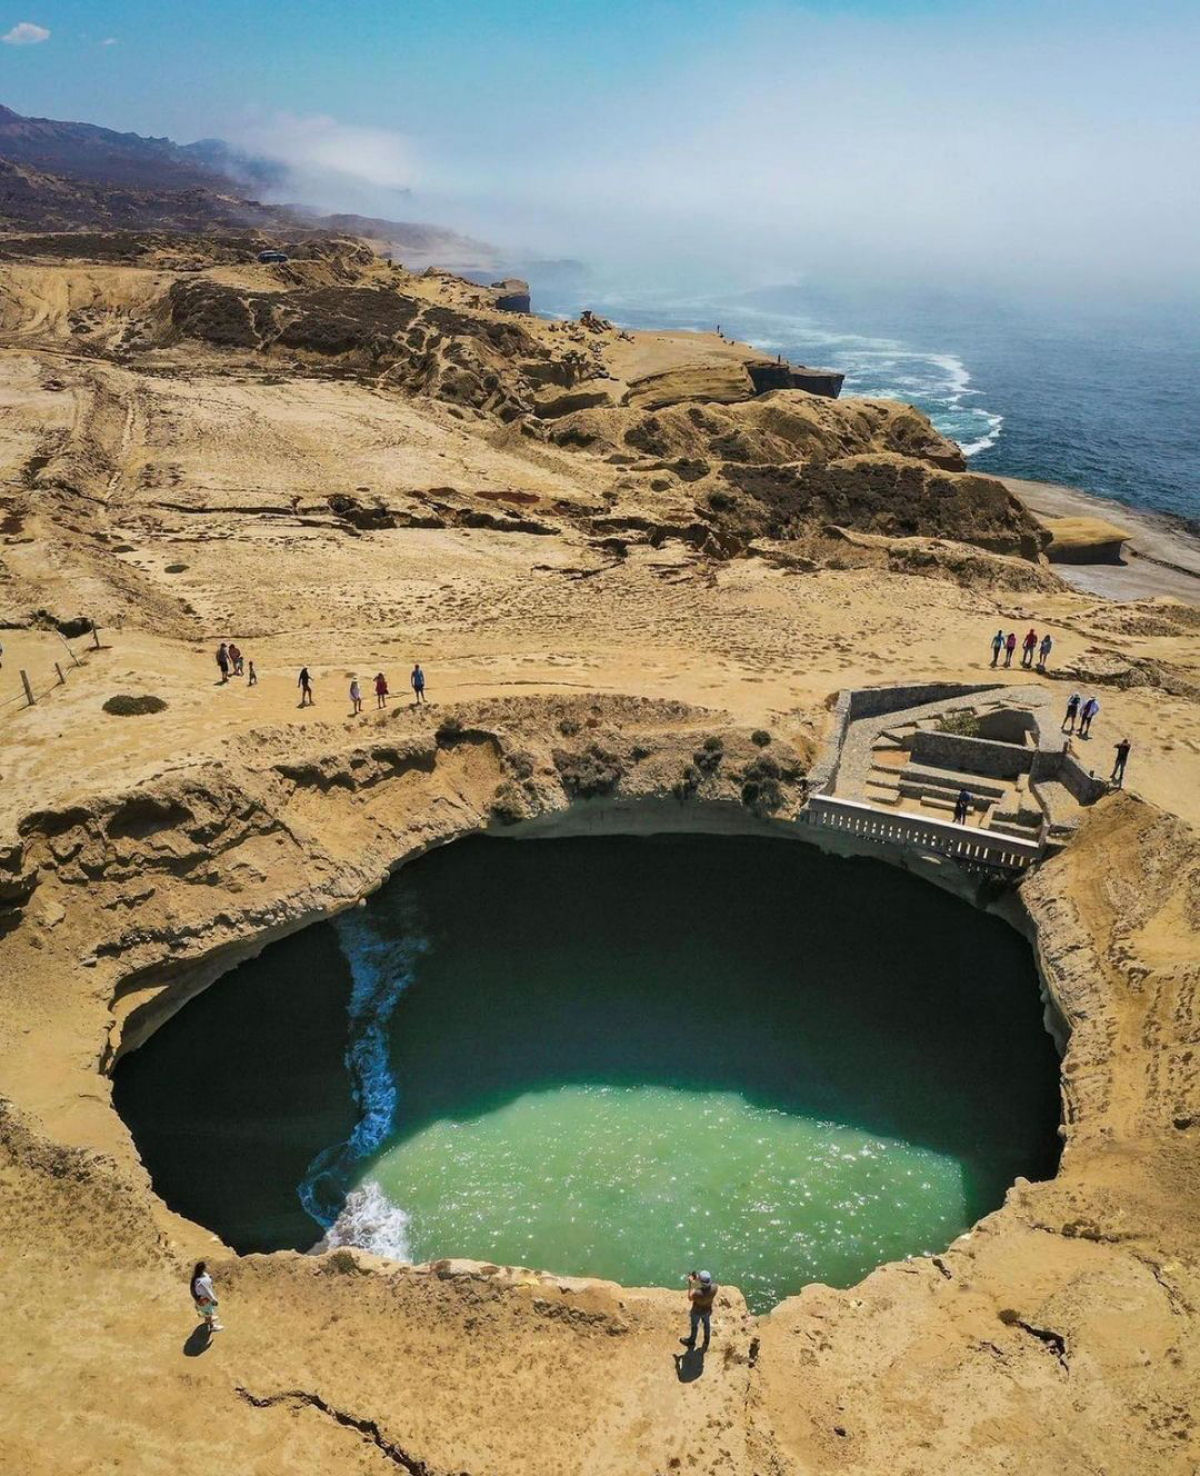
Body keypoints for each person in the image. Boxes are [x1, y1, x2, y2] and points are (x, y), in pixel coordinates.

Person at [682, 1270, 716, 1351]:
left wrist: (691, 1284)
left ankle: (691, 1341)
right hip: (707, 1310)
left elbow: (690, 1298)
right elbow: (704, 1287)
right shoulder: (715, 1287)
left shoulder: (698, 1293)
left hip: (697, 1311)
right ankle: (706, 1341)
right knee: (706, 1325)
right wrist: (698, 1280)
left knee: (694, 1326)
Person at [190, 1261, 223, 1332]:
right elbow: (207, 1292)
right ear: (203, 1269)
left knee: (206, 1312)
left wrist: (209, 1277)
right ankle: (212, 1326)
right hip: (205, 1300)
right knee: (208, 1311)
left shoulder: (196, 1277)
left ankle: (207, 1319)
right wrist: (213, 1299)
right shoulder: (203, 1281)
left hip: (200, 1299)